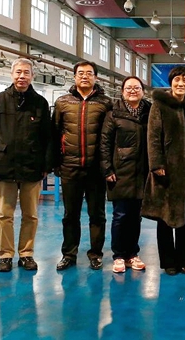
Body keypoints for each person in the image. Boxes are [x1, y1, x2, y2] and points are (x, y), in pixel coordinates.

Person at [0, 58, 52, 273]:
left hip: (32, 166)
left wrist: (46, 165)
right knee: (5, 214)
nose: (22, 76)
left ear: (32, 76)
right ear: (12, 75)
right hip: (5, 165)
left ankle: (26, 253)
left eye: (26, 72)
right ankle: (5, 255)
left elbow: (47, 136)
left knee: (31, 215)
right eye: (18, 72)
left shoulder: (40, 103)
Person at [142, 66, 185, 276]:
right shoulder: (160, 104)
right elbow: (153, 136)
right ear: (170, 82)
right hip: (165, 171)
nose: (181, 84)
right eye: (177, 80)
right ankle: (168, 262)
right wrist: (157, 164)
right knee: (164, 217)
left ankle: (184, 260)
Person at [53, 61, 112, 271]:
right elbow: (55, 133)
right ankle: (69, 254)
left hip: (96, 168)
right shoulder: (62, 102)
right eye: (80, 73)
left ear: (95, 77)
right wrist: (56, 163)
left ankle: (96, 254)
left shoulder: (106, 103)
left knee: (97, 215)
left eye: (89, 73)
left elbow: (110, 136)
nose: (84, 76)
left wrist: (108, 165)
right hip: (70, 167)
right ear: (74, 76)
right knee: (70, 215)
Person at [100, 76, 152, 274]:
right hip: (120, 171)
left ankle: (133, 254)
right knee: (120, 215)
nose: (132, 91)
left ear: (143, 91)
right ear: (122, 92)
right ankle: (119, 255)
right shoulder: (113, 113)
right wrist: (107, 169)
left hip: (143, 171)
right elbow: (105, 143)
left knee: (136, 216)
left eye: (136, 88)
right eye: (128, 88)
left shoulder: (150, 112)